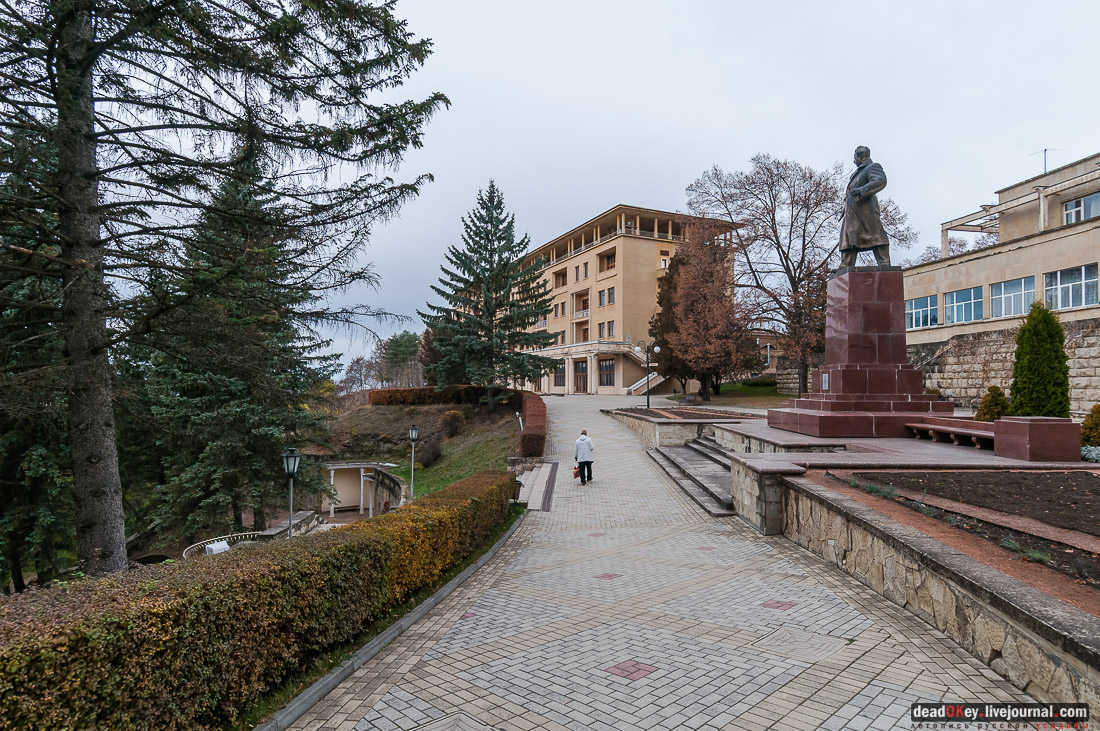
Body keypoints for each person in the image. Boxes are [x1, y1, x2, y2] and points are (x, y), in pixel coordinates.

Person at [839, 145, 891, 267]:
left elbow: (880, 181)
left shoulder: (873, 167)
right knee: (847, 238)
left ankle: (884, 262)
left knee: (875, 235)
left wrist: (861, 190)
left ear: (862, 157)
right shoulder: (857, 173)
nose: (853, 161)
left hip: (865, 211)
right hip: (852, 212)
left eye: (855, 157)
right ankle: (846, 264)